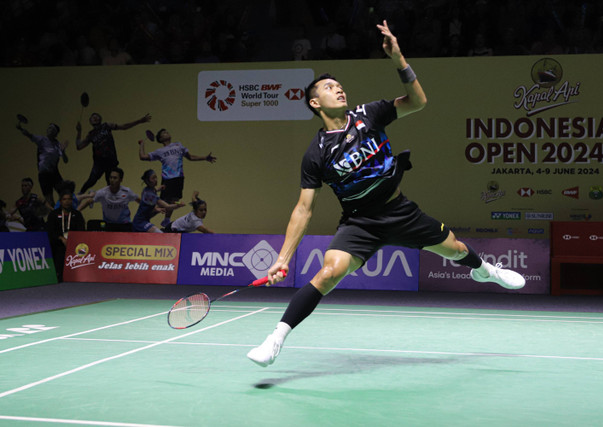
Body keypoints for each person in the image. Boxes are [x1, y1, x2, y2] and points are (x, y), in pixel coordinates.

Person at [247, 20, 526, 367]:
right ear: (314, 102)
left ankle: (486, 269)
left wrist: (399, 59)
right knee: (328, 272)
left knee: (456, 250)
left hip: (399, 212)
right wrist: (283, 257)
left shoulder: (369, 115)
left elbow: (418, 101)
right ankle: (274, 341)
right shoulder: (316, 153)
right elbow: (304, 209)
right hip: (360, 224)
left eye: (340, 85)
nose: (340, 90)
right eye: (330, 87)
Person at [138, 129, 215, 227]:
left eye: (167, 132)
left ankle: (166, 219)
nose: (167, 133)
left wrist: (205, 158)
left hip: (179, 178)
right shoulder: (159, 151)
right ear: (161, 139)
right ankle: (145, 217)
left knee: (173, 200)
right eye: (164, 133)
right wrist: (141, 144)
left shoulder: (178, 145)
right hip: (168, 179)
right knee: (163, 202)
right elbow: (142, 157)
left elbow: (190, 157)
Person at [76, 112, 152, 194]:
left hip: (111, 161)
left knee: (112, 185)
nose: (94, 118)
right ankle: (80, 195)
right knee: (91, 181)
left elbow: (123, 127)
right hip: (99, 163)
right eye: (92, 117)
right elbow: (79, 146)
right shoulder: (91, 135)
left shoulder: (106, 126)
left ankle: (95, 196)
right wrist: (79, 131)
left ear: (100, 119)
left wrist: (139, 121)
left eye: (96, 116)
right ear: (90, 121)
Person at [16, 121, 68, 208]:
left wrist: (63, 152)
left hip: (55, 173)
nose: (49, 129)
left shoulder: (58, 145)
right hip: (44, 174)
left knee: (65, 194)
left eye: (52, 128)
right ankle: (55, 217)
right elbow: (29, 135)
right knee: (49, 200)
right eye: (49, 128)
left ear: (56, 133)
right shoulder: (42, 140)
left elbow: (65, 160)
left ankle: (67, 215)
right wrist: (21, 128)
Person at [46, 190, 85, 282]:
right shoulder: (53, 214)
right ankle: (58, 274)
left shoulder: (77, 214)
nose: (67, 201)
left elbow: (81, 230)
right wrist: (61, 238)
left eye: (69, 199)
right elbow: (50, 231)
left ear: (72, 201)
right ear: (60, 201)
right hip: (58, 243)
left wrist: (72, 240)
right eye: (64, 199)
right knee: (58, 249)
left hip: (74, 243)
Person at [87, 167, 140, 231]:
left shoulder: (127, 192)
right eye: (111, 177)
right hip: (109, 225)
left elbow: (140, 201)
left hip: (124, 225)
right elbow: (89, 201)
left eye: (115, 178)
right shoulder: (103, 192)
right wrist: (77, 211)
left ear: (121, 180)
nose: (112, 180)